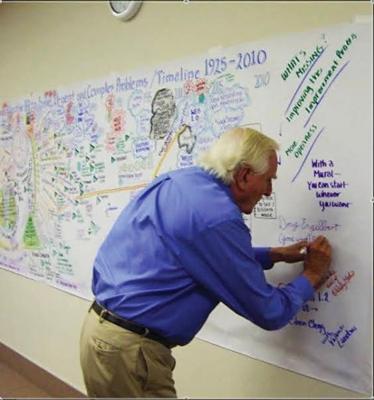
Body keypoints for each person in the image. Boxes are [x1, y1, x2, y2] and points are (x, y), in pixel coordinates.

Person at [80, 127, 331, 398]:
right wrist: (312, 275)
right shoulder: (218, 218)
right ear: (244, 175)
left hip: (104, 336)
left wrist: (273, 255)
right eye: (268, 180)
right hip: (130, 353)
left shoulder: (180, 181)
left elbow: (194, 253)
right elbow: (269, 312)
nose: (269, 192)